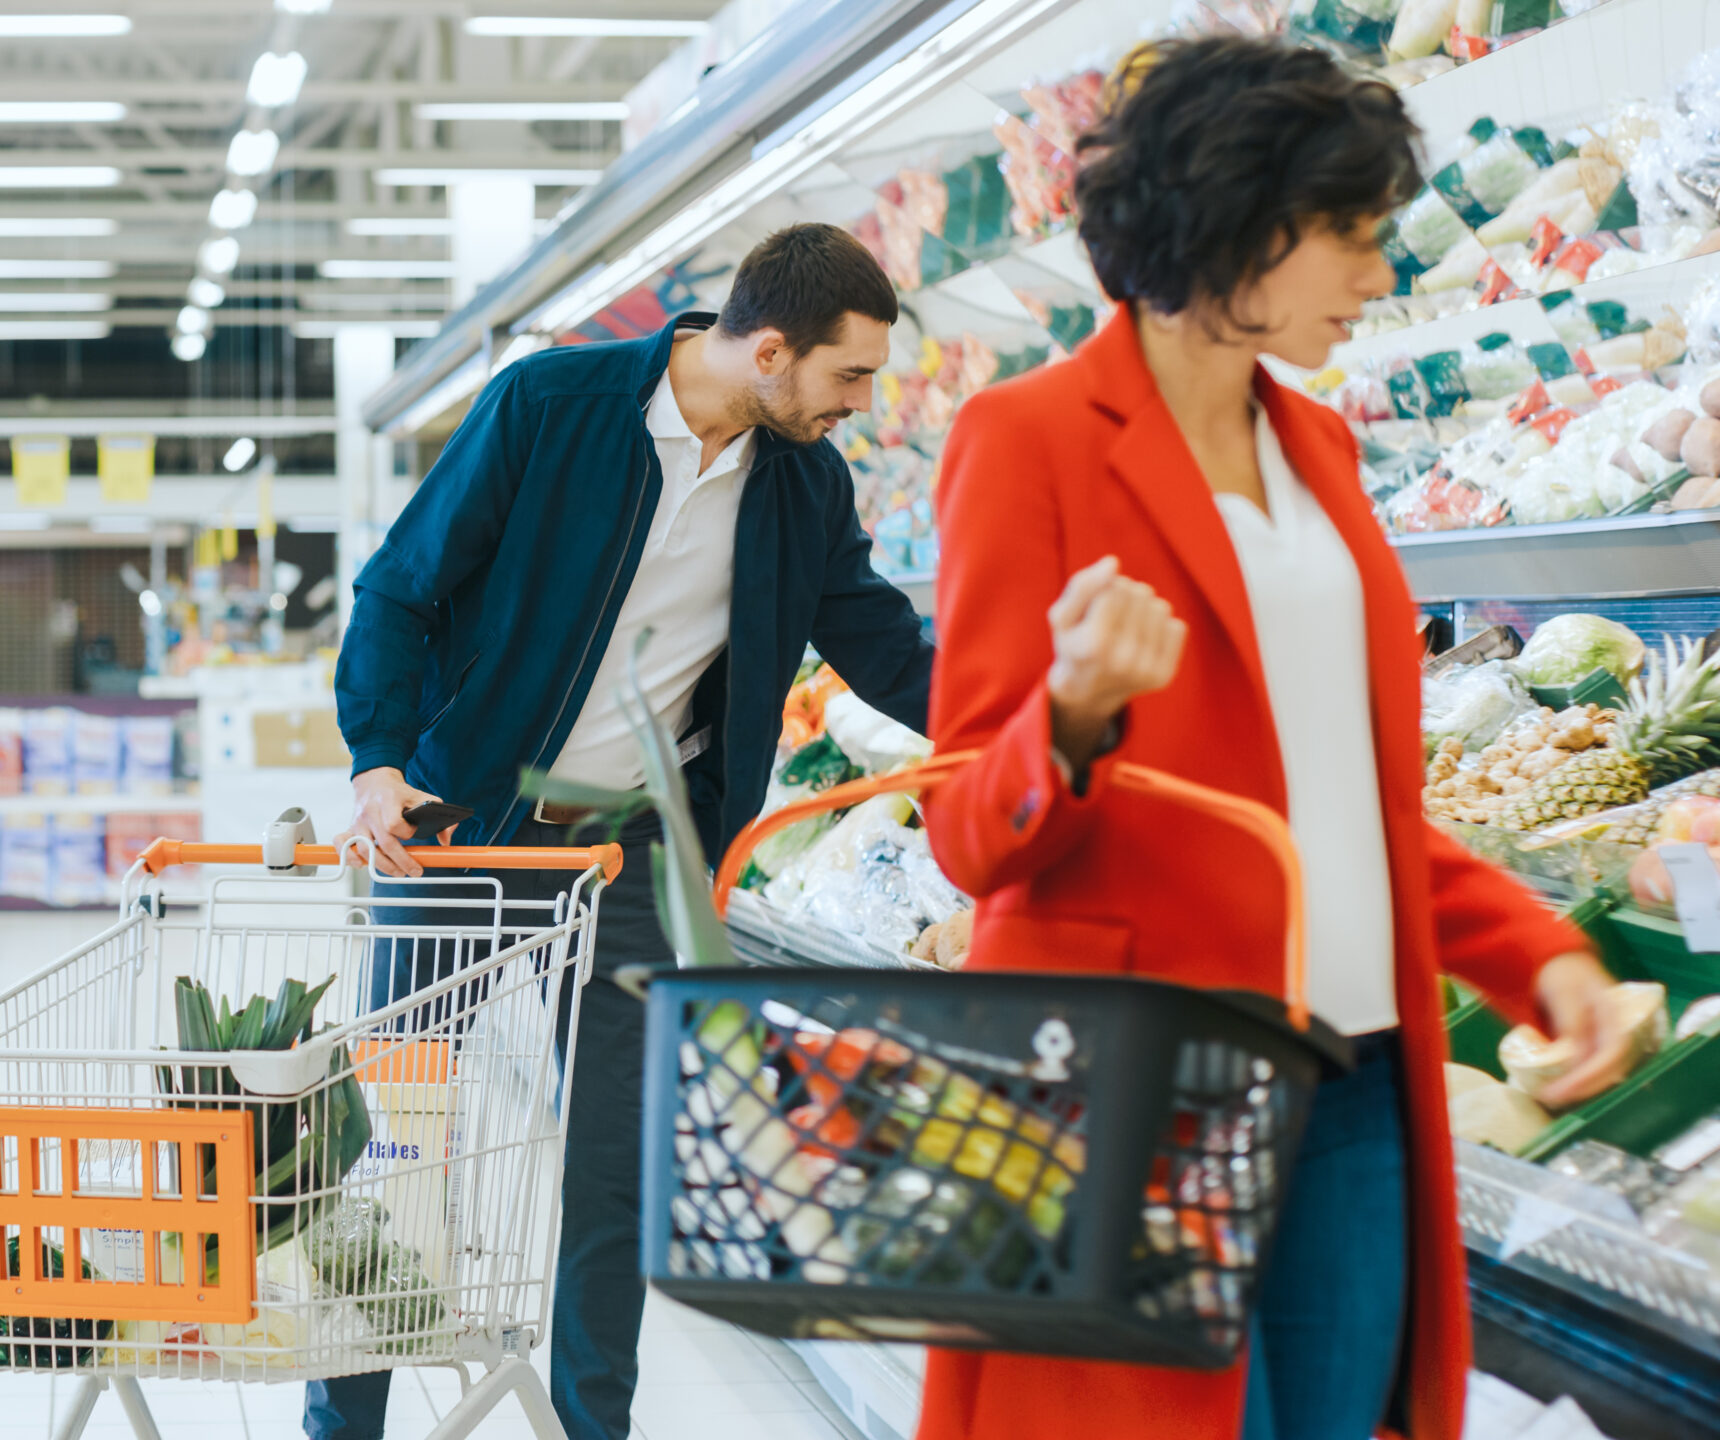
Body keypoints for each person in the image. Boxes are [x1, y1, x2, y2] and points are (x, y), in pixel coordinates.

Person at [918, 38, 1630, 1440]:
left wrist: (1536, 949)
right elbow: (963, 829)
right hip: (1150, 1089)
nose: (1380, 274)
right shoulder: (1030, 439)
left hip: (1356, 1077)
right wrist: (1067, 716)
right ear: (1244, 221)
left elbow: (1345, 799)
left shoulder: (1322, 452)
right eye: (1353, 235)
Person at [329, 223, 935, 1440]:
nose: (859, 406)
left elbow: (880, 642)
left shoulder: (802, 482)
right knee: (397, 1149)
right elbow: (401, 586)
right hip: (459, 835)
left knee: (612, 1167)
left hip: (632, 860)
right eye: (848, 377)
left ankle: (588, 1427)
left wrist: (1052, 712)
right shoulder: (549, 406)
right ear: (769, 351)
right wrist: (378, 764)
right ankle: (341, 1427)